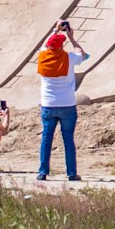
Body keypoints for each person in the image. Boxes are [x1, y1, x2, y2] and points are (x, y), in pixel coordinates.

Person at [34, 19, 88, 181]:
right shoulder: (69, 58)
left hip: (48, 105)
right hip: (67, 105)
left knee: (46, 139)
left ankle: (43, 172)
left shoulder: (43, 56)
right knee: (68, 140)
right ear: (61, 46)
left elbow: (45, 46)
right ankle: (71, 173)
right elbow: (82, 54)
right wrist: (71, 37)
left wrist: (55, 30)